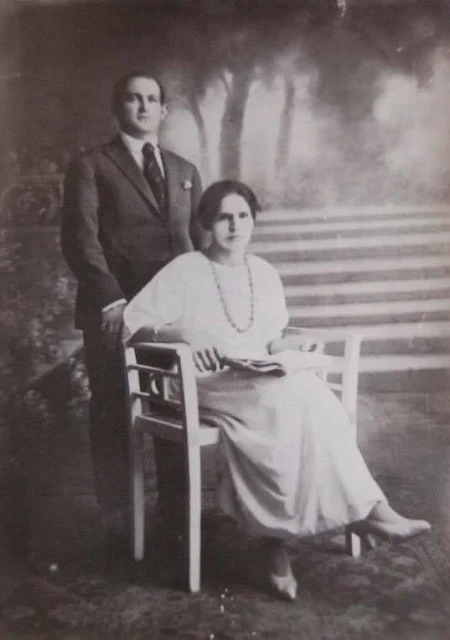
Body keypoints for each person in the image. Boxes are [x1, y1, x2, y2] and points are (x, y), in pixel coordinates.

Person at [123, 180, 431, 601]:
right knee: (284, 402)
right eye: (224, 217)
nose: (235, 226)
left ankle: (334, 525)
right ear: (207, 223)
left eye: (243, 216)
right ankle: (355, 518)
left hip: (255, 377)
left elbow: (270, 341)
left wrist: (296, 347)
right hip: (199, 380)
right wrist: (185, 334)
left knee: (315, 398)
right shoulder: (186, 269)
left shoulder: (264, 273)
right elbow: (133, 325)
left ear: (253, 221)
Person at [61, 72, 206, 534]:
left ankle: (177, 514)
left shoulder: (185, 171)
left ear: (164, 110)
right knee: (113, 409)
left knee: (173, 405)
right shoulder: (91, 165)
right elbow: (80, 239)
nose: (143, 106)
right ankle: (120, 518)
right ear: (117, 107)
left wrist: (199, 306)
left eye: (151, 99)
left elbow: (199, 245)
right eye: (132, 98)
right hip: (115, 312)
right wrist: (111, 301)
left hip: (172, 316)